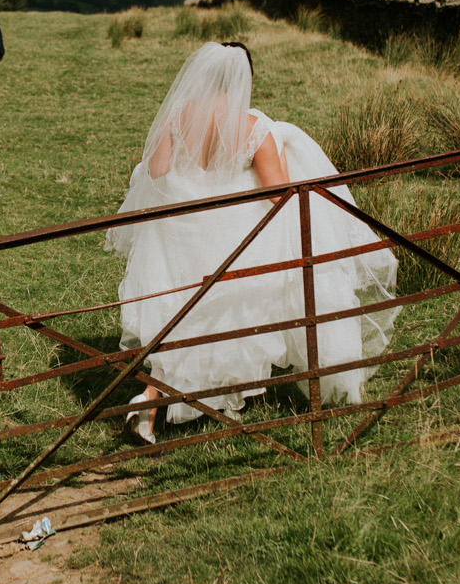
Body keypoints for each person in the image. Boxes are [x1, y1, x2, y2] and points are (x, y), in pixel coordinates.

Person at [106, 42, 399, 443]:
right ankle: (157, 400)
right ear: (244, 80)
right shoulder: (255, 128)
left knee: (184, 317)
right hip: (235, 241)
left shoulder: (177, 117)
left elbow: (156, 174)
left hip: (181, 239)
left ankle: (151, 403)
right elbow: (279, 195)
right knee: (209, 318)